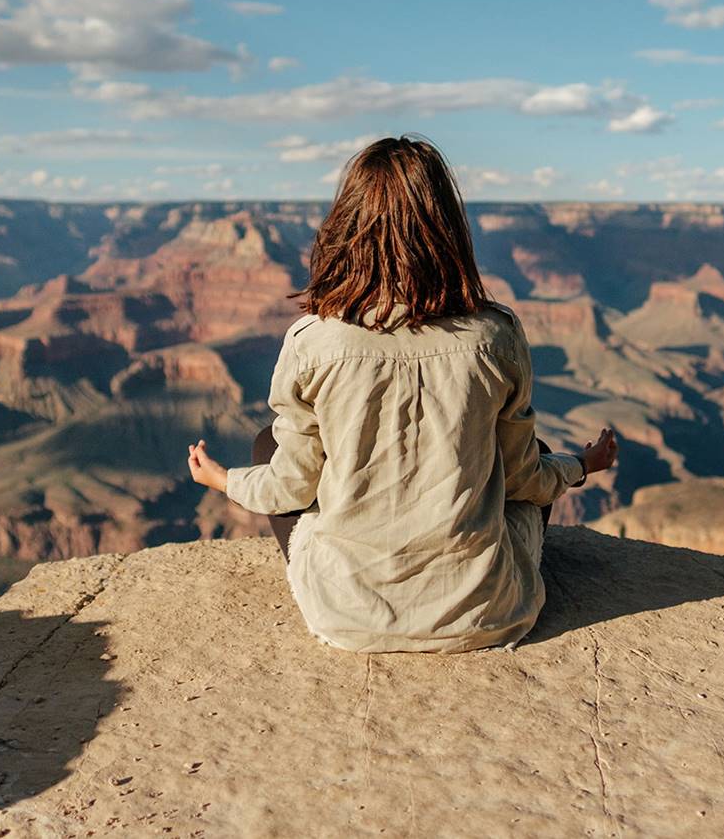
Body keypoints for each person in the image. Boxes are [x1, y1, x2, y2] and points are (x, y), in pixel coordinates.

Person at [187, 135, 618, 654]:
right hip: (487, 614)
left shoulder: (313, 340)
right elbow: (525, 479)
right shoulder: (495, 335)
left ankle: (359, 589)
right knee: (538, 453)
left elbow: (291, 489)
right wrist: (580, 465)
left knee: (267, 447)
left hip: (346, 618)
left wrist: (223, 480)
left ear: (346, 227)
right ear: (448, 229)